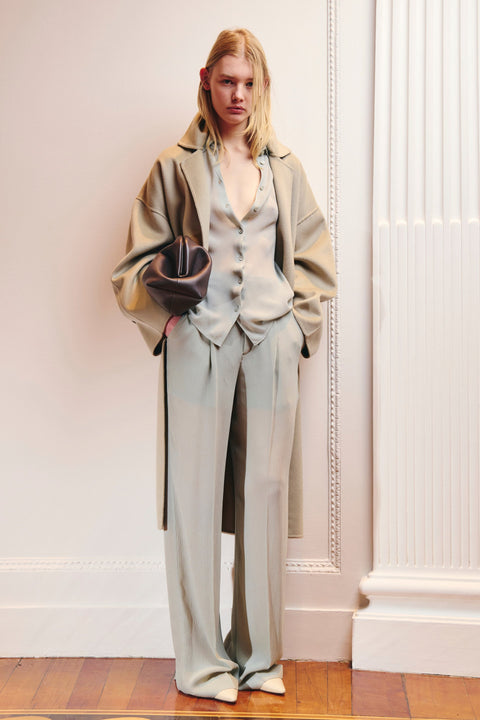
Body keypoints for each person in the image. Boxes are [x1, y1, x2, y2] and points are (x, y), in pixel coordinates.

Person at [112, 28, 336, 704]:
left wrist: (298, 330)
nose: (238, 94)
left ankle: (258, 658)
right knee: (194, 497)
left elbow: (314, 261)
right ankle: (201, 665)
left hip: (270, 340)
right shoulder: (173, 166)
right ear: (206, 81)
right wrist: (166, 315)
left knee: (264, 493)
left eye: (249, 83)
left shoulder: (284, 167)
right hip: (199, 340)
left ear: (261, 87)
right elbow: (133, 264)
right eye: (227, 80)